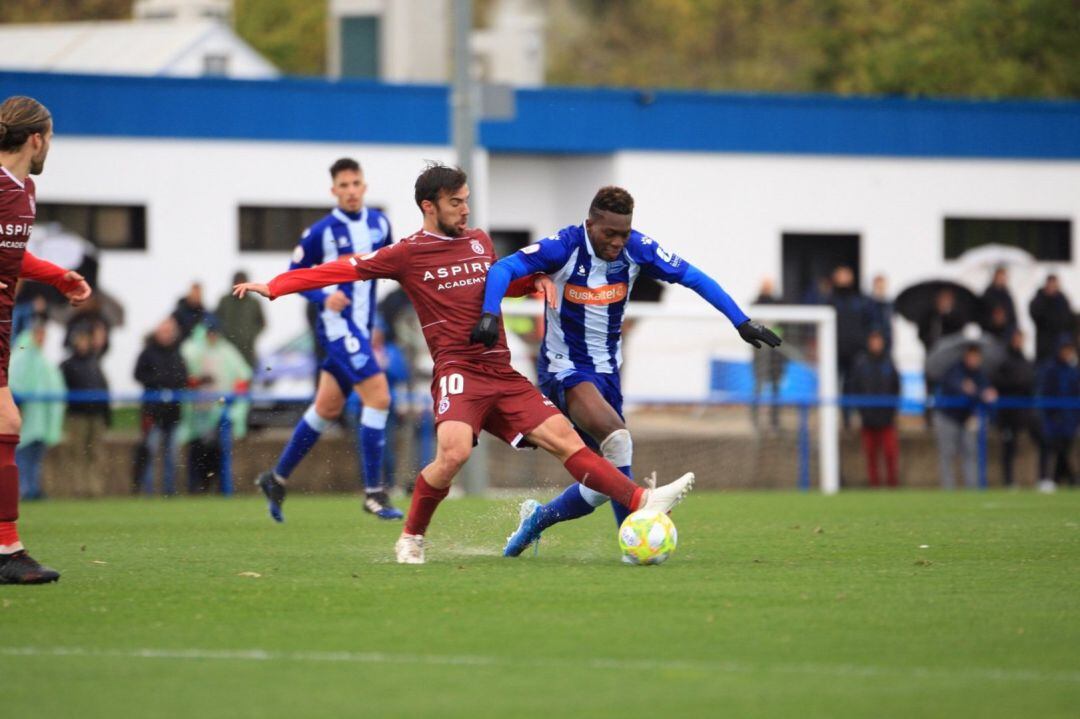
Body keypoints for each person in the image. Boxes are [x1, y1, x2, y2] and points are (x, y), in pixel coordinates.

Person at [234, 163, 697, 564]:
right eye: (456, 202)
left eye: (467, 200)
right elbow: (344, 268)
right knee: (452, 454)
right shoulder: (407, 253)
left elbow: (492, 285)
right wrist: (276, 286)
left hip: (500, 370)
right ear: (428, 206)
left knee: (566, 440)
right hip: (458, 372)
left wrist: (533, 283)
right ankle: (412, 538)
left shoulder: (477, 242)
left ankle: (642, 500)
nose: (466, 209)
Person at [475, 186, 780, 556]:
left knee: (605, 479)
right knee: (618, 439)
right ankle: (632, 545)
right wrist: (490, 313)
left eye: (624, 232)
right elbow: (503, 268)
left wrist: (740, 321)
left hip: (608, 374)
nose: (618, 242)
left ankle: (537, 520)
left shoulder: (638, 249)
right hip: (565, 370)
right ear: (590, 225)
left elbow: (694, 277)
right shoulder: (564, 247)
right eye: (610, 233)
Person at [253, 158, 402, 521]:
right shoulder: (320, 232)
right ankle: (374, 492)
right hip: (338, 329)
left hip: (362, 331)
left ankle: (276, 478)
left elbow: (395, 264)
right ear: (334, 191)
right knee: (379, 396)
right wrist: (323, 297)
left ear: (364, 187)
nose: (351, 191)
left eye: (356, 184)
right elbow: (295, 276)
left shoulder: (380, 223)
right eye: (344, 185)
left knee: (327, 408)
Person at [0, 95, 93, 583]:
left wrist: (60, 277)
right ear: (36, 138)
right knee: (8, 420)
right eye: (50, 137)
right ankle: (7, 551)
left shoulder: (25, 190)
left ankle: (6, 550)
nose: (50, 146)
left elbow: (12, 257)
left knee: (7, 422)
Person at [10, 321, 65, 500]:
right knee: (23, 455)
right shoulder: (20, 356)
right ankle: (24, 489)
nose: (42, 339)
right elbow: (13, 384)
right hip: (24, 416)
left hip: (40, 419)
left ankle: (32, 488)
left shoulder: (41, 360)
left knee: (35, 456)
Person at [133, 316, 188, 496]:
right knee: (150, 452)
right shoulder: (148, 352)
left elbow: (183, 377)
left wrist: (169, 383)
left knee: (172, 456)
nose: (166, 335)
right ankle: (148, 492)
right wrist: (160, 382)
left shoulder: (177, 353)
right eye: (164, 331)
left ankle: (169, 492)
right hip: (153, 412)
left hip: (173, 413)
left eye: (169, 331)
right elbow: (138, 374)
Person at [934, 344, 997, 489]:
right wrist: (980, 394)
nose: (974, 359)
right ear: (965, 356)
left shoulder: (980, 374)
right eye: (971, 356)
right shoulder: (954, 370)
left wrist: (980, 393)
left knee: (970, 454)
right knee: (947, 454)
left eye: (976, 356)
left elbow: (985, 393)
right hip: (948, 417)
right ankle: (948, 490)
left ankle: (972, 489)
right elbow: (961, 389)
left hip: (968, 418)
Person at [846, 329, 901, 488]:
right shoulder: (861, 364)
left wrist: (892, 411)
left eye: (878, 341)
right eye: (873, 340)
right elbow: (855, 387)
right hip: (868, 418)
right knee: (870, 454)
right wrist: (862, 411)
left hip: (887, 418)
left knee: (890, 453)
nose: (876, 344)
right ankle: (874, 485)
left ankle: (892, 485)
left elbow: (896, 387)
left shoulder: (889, 364)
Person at [60, 329, 110, 498]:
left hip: (96, 415)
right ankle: (78, 489)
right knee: (78, 452)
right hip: (77, 415)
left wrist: (107, 415)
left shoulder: (94, 363)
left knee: (96, 453)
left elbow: (104, 388)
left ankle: (95, 490)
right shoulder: (67, 365)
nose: (83, 344)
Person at [992, 328, 1037, 488]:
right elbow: (998, 381)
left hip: (1024, 410)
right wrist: (1017, 383)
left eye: (1021, 338)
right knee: (1009, 447)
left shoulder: (1026, 360)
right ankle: (1008, 480)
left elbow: (1031, 382)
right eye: (1016, 338)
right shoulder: (1003, 360)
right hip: (1007, 412)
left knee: (1043, 439)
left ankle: (1045, 478)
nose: (1019, 341)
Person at [1035, 336, 1080, 490]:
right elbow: (1043, 392)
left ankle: (1059, 478)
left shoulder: (1073, 371)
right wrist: (1048, 413)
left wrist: (1074, 416)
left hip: (1069, 418)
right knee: (1050, 447)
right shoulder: (1049, 369)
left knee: (1064, 449)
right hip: (1053, 417)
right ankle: (1049, 478)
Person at [830, 266, 872, 428]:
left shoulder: (860, 300)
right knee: (834, 385)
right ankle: (838, 418)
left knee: (854, 385)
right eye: (840, 276)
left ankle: (851, 418)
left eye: (846, 276)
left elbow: (868, 324)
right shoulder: (831, 300)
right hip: (836, 351)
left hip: (856, 352)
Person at [750, 277, 785, 431]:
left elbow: (783, 328)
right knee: (758, 385)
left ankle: (775, 420)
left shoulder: (779, 305)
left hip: (775, 352)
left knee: (776, 386)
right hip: (760, 351)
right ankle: (755, 420)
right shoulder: (755, 304)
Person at [215, 270, 265, 371]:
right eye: (237, 282)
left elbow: (262, 323)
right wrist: (224, 335)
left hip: (247, 351)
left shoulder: (254, 303)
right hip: (227, 350)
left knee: (247, 377)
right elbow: (215, 321)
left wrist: (250, 335)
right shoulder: (225, 301)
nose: (239, 285)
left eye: (242, 282)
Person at [1029, 275, 1073, 363]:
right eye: (1051, 284)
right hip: (1044, 342)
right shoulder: (1040, 298)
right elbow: (1035, 313)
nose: (1052, 287)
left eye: (1054, 285)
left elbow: (1067, 318)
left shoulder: (1062, 299)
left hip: (1059, 341)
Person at [980, 266, 1017, 334]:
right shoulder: (987, 295)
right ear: (995, 277)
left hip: (1005, 334)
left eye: (1003, 277)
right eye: (1000, 277)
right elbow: (981, 315)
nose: (1002, 279)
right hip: (990, 334)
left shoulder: (1007, 295)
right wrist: (994, 319)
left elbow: (1013, 317)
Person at [868, 274, 893, 351]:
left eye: (882, 286)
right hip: (874, 342)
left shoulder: (889, 305)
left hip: (887, 341)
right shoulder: (869, 304)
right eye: (878, 286)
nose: (880, 289)